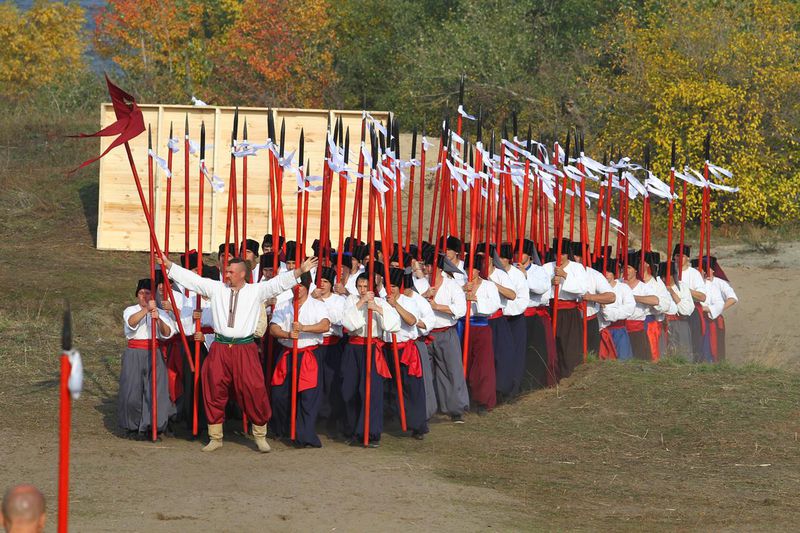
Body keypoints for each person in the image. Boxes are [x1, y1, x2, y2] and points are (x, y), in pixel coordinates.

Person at [160, 252, 318, 453]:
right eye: (226, 271)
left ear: (242, 274)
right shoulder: (217, 289)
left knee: (254, 388)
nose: (226, 275)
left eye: (231, 272)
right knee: (214, 387)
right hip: (220, 347)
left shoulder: (255, 291)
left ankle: (260, 435)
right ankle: (215, 436)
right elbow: (194, 281)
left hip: (245, 348)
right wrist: (169, 266)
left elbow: (277, 284)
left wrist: (299, 271)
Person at [268, 272, 330, 447]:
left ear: (307, 286)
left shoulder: (317, 305)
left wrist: (304, 328)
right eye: (295, 285)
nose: (297, 289)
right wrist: (287, 333)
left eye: (301, 285)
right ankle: (283, 428)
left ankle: (304, 435)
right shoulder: (283, 305)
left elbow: (325, 325)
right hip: (287, 353)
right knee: (280, 394)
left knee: (308, 396)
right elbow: (273, 328)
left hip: (308, 354)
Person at [340, 271, 401, 446]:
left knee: (371, 392)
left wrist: (377, 309)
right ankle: (353, 430)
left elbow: (393, 323)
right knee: (349, 391)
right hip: (354, 348)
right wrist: (361, 302)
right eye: (359, 286)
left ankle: (371, 432)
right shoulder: (351, 300)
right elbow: (346, 322)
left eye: (365, 286)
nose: (362, 289)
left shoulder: (380, 301)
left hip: (373, 348)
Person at [118, 278, 177, 439]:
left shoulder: (161, 312)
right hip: (135, 352)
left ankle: (152, 426)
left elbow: (167, 333)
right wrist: (146, 310)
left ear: (152, 295)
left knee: (155, 392)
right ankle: (133, 426)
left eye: (147, 293)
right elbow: (131, 322)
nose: (144, 296)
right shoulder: (130, 310)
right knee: (132, 391)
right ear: (137, 295)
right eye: (141, 293)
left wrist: (157, 319)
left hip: (154, 351)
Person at [422, 252, 469, 423]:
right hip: (425, 335)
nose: (427, 269)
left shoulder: (452, 285)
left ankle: (456, 409)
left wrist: (437, 306)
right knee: (425, 374)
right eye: (426, 266)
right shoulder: (420, 284)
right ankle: (426, 410)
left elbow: (461, 309)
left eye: (430, 266)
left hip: (446, 332)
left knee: (451, 371)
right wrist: (423, 297)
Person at [384, 267, 429, 439]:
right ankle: (393, 419)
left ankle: (418, 425)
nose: (392, 290)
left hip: (405, 350)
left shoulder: (410, 302)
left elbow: (411, 321)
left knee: (412, 388)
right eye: (389, 286)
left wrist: (396, 305)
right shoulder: (382, 301)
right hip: (388, 349)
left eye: (394, 286)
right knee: (390, 388)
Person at [544, 238, 588, 378]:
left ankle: (570, 378)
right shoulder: (546, 267)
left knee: (570, 348)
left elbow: (582, 289)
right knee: (551, 347)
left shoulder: (577, 268)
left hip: (569, 312)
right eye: (557, 254)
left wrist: (565, 276)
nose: (560, 257)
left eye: (563, 254)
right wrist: (550, 282)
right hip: (551, 310)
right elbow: (539, 289)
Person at [310, 266, 347, 436]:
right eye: (320, 281)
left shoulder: (339, 300)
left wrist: (321, 303)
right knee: (315, 382)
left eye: (325, 281)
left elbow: (339, 320)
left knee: (332, 383)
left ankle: (333, 420)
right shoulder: (311, 299)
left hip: (332, 344)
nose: (322, 285)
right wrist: (314, 301)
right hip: (315, 344)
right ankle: (316, 418)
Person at [463, 253, 500, 414]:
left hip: (481, 326)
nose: (469, 273)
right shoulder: (461, 285)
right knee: (466, 363)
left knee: (483, 366)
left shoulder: (488, 286)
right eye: (467, 269)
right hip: (464, 327)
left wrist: (476, 299)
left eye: (472, 269)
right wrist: (461, 293)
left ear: (478, 271)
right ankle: (466, 399)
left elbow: (494, 305)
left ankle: (484, 401)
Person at [516, 239, 555, 389]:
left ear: (530, 256)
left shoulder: (538, 271)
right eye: (516, 252)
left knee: (536, 351)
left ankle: (533, 384)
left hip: (533, 316)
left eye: (523, 252)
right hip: (516, 316)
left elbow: (542, 288)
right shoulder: (511, 270)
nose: (519, 255)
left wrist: (525, 276)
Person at [498, 243, 530, 399]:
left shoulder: (517, 275)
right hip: (499, 319)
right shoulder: (495, 274)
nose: (501, 260)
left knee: (516, 355)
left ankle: (513, 390)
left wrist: (506, 310)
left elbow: (522, 299)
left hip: (515, 318)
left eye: (504, 257)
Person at [573, 243, 615, 356]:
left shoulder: (594, 275)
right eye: (573, 255)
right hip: (569, 321)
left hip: (589, 322)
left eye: (577, 255)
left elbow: (611, 297)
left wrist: (591, 297)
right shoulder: (559, 272)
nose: (575, 258)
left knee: (591, 355)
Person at [673, 244, 707, 362]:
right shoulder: (670, 271)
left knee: (694, 341)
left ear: (687, 258)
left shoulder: (694, 274)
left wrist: (685, 290)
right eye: (677, 255)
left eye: (682, 256)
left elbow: (702, 296)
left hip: (691, 311)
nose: (679, 258)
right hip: (673, 311)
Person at [623, 252, 660, 361]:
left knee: (640, 361)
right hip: (621, 329)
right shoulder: (618, 284)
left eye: (629, 268)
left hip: (637, 330)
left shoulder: (643, 287)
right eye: (624, 268)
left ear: (635, 270)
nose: (626, 271)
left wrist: (633, 297)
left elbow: (655, 300)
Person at [597, 259, 635, 360]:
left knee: (622, 363)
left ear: (614, 273)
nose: (605, 274)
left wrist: (609, 312)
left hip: (619, 331)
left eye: (608, 271)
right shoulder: (596, 288)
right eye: (603, 271)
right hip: (601, 331)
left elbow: (629, 309)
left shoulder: (624, 288)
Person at [661, 260, 695, 359]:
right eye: (662, 276)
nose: (664, 278)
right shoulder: (658, 287)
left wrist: (672, 292)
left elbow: (686, 310)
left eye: (667, 275)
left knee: (682, 354)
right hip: (662, 324)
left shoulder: (683, 287)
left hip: (679, 323)